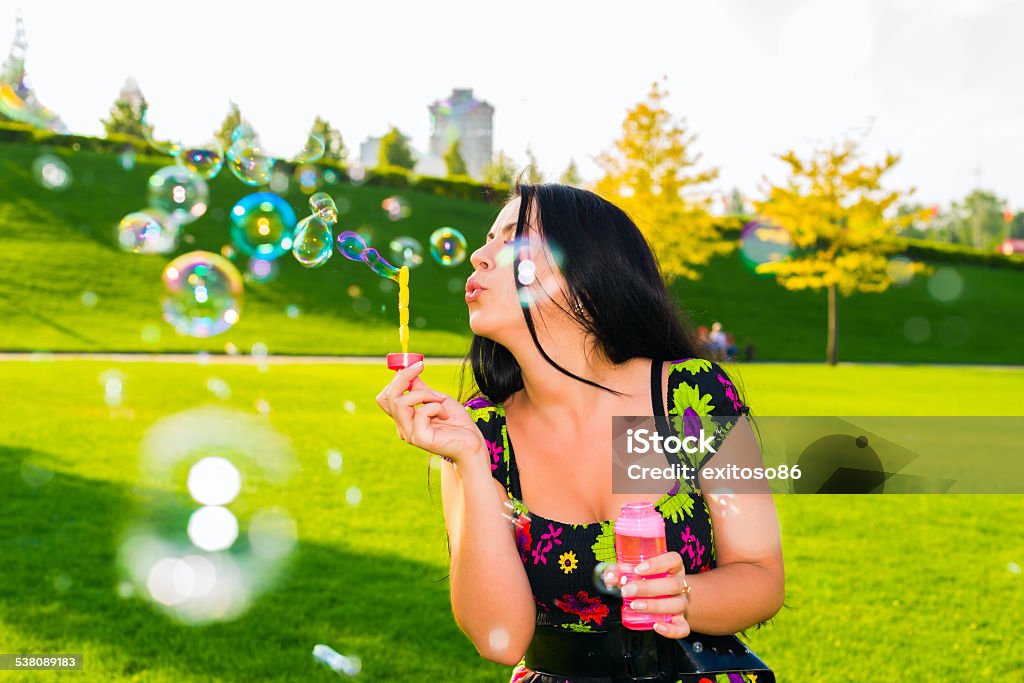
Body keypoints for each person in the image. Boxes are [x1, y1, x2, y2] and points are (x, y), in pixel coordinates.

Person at [376, 180, 784, 682]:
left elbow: (762, 576)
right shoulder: (479, 431)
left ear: (586, 271)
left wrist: (685, 596)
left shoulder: (695, 396)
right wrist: (470, 465)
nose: (479, 257)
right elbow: (498, 636)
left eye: (510, 239)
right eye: (486, 239)